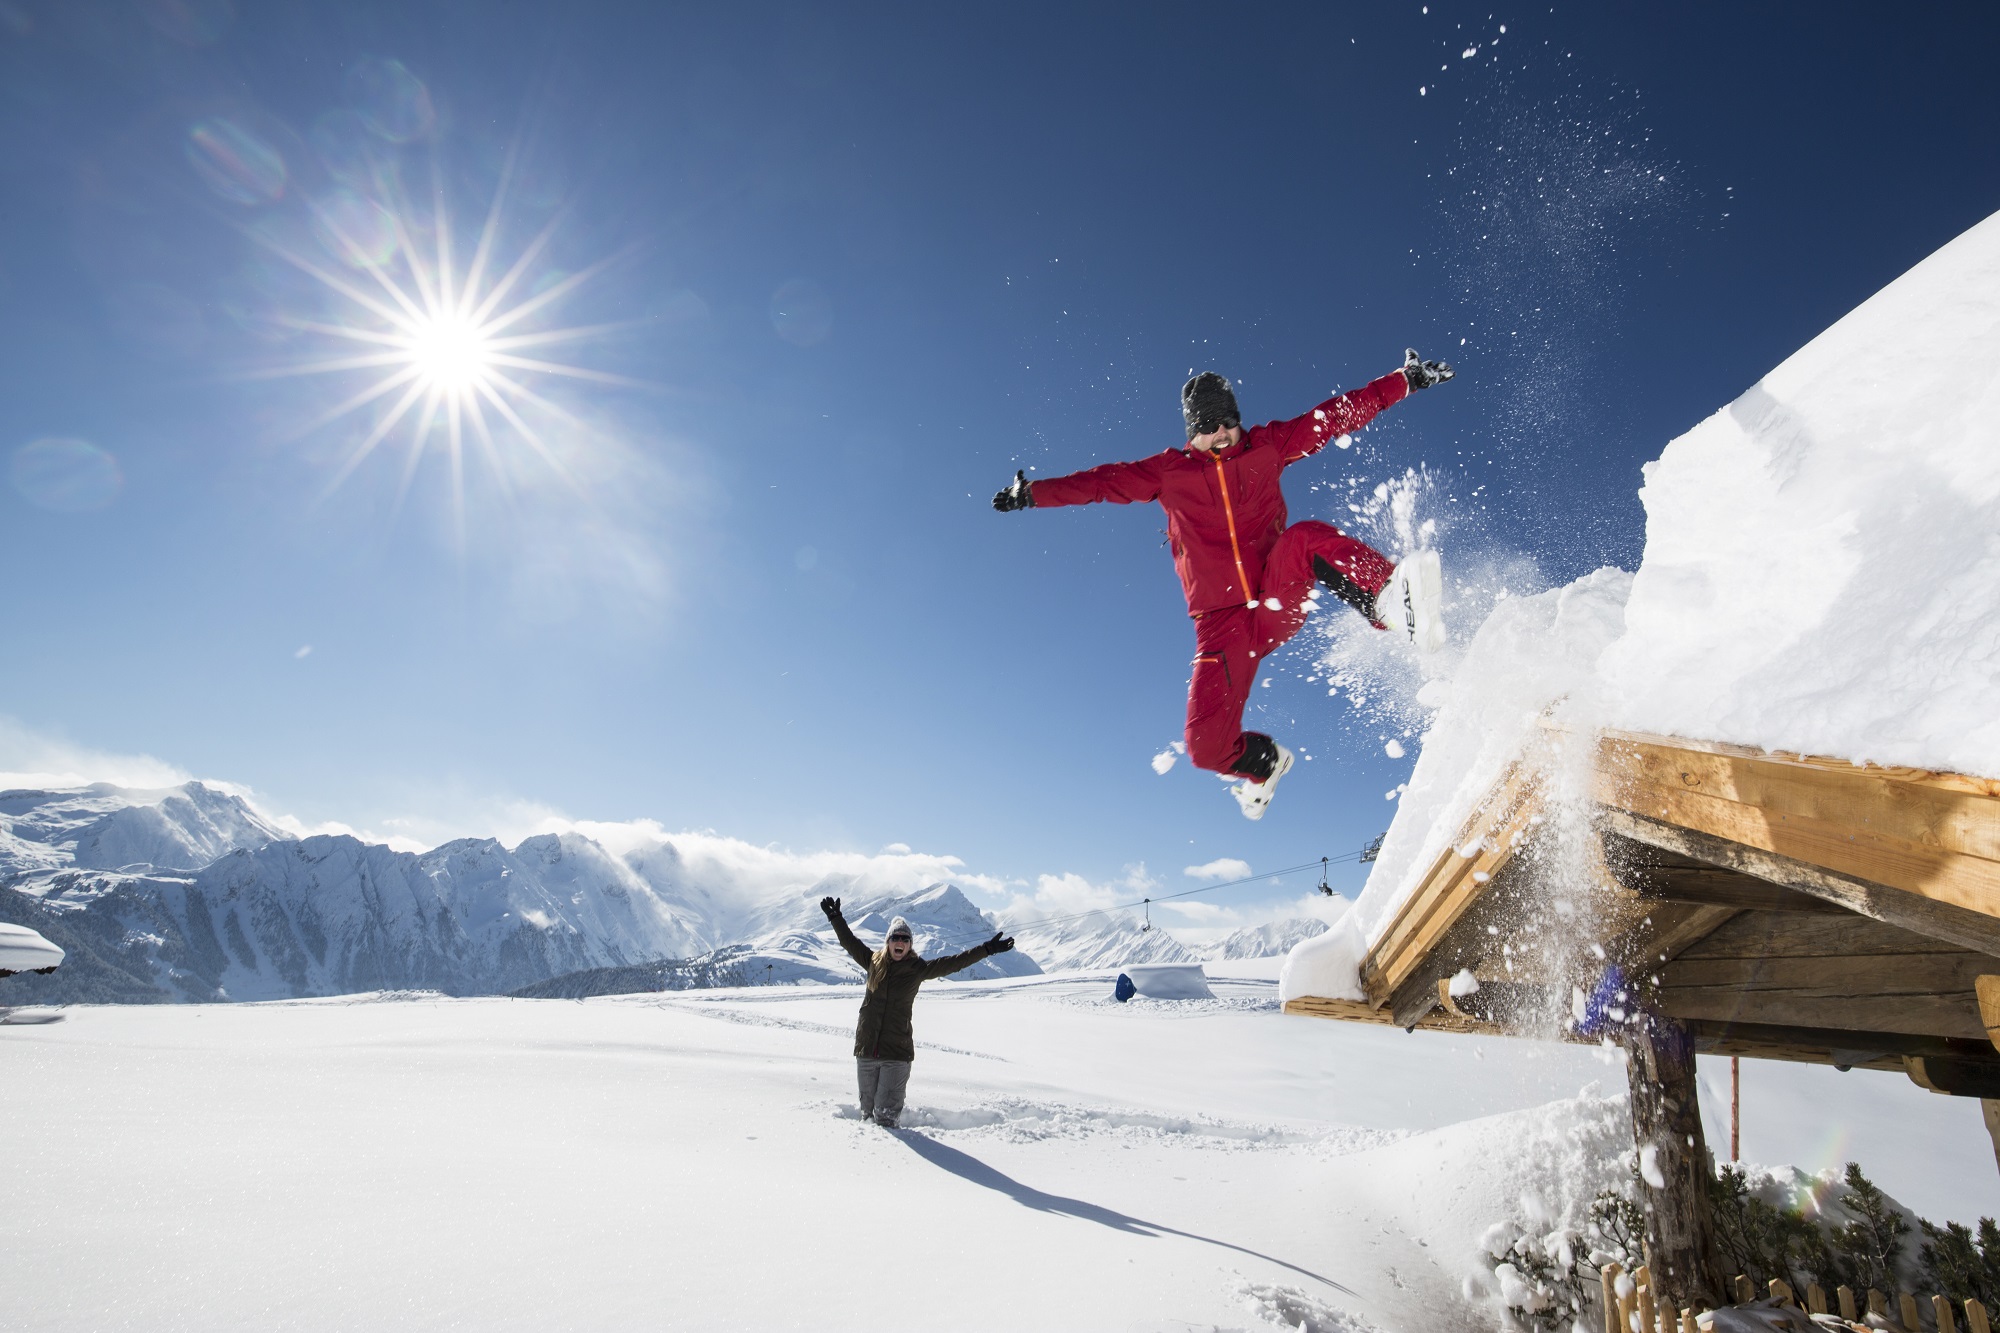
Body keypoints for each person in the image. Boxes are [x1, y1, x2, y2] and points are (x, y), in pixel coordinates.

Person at [991, 350, 1455, 820]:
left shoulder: (1266, 446)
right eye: (1208, 425)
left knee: (1303, 539)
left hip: (1274, 595)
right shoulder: (1168, 472)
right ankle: (1264, 764)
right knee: (1205, 748)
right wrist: (1032, 493)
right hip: (1221, 625)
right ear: (1192, 431)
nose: (1221, 433)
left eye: (1228, 421)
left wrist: (1405, 381)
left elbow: (1331, 417)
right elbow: (1100, 483)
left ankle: (1388, 601)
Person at [820, 896, 1014, 1128]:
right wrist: (835, 918)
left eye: (905, 939)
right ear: (888, 941)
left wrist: (987, 949)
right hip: (866, 1050)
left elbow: (954, 962)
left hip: (896, 1054)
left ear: (910, 944)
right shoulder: (872, 962)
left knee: (885, 1118)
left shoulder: (917, 969)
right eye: (895, 937)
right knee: (867, 1115)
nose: (900, 942)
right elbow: (849, 941)